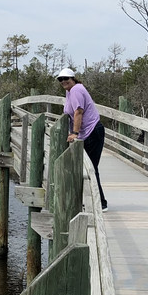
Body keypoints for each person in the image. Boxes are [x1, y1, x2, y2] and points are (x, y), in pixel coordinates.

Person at [56, 67, 108, 211]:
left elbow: (78, 112)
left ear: (73, 78)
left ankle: (100, 203)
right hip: (88, 133)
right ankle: (96, 202)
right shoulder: (70, 91)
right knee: (86, 167)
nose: (63, 81)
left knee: (90, 168)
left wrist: (74, 133)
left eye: (66, 78)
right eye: (60, 79)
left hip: (92, 131)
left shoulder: (76, 90)